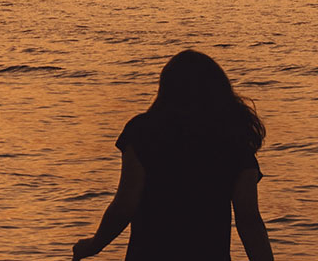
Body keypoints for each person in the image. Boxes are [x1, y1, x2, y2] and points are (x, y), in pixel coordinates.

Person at [73, 50, 273, 261]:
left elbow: (125, 204)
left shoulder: (144, 131)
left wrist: (94, 245)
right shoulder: (233, 139)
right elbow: (249, 219)